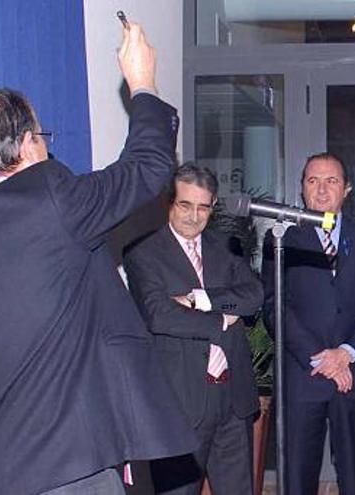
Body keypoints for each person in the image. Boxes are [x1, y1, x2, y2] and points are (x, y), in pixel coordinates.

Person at [0, 25, 198, 494]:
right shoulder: (47, 194)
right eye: (41, 136)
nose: (47, 147)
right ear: (23, 145)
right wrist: (142, 83)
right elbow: (147, 168)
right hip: (73, 468)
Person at [123, 164, 262, 494]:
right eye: (185, 205)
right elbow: (159, 315)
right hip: (180, 403)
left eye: (203, 207)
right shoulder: (143, 253)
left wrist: (198, 298)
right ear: (169, 203)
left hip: (233, 397)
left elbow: (253, 295)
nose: (193, 216)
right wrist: (220, 321)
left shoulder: (225, 246)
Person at [261, 152, 355, 495]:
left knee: (353, 476)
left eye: (331, 180)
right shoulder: (282, 238)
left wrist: (347, 353)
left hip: (354, 374)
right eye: (312, 181)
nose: (321, 190)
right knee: (297, 476)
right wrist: (322, 358)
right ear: (301, 188)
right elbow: (275, 305)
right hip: (304, 374)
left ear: (346, 188)